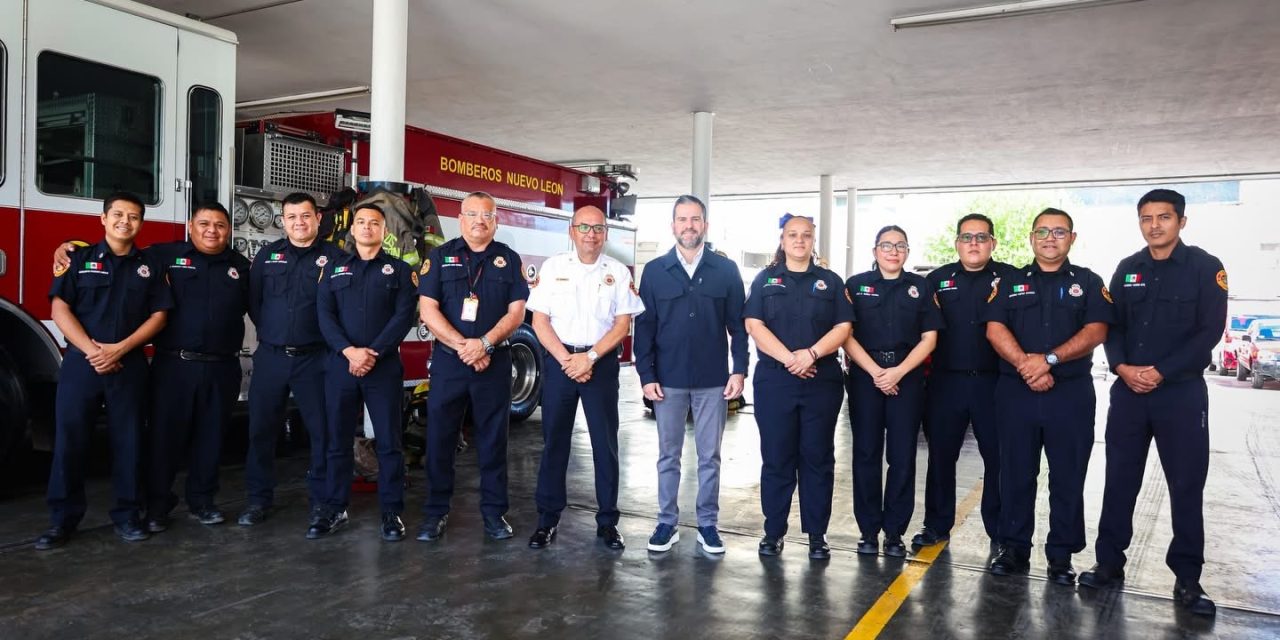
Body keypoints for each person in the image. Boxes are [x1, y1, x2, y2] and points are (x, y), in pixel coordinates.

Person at [1078, 189, 1226, 617]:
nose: (1155, 225)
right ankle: (1109, 562)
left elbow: (1208, 333)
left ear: (1182, 221)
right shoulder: (1128, 269)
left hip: (1179, 394)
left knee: (1185, 485)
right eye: (1147, 218)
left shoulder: (1205, 268)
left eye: (1164, 217)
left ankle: (1187, 579)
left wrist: (1160, 371)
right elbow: (1114, 326)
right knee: (1120, 480)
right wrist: (1122, 366)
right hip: (1129, 393)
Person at [35, 192, 172, 550]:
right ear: (103, 219)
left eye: (134, 216)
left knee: (129, 443)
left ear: (142, 222)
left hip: (129, 365)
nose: (125, 222)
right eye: (118, 215)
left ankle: (127, 516)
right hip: (82, 364)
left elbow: (159, 315)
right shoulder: (77, 258)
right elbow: (60, 308)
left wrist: (121, 349)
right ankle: (62, 520)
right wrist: (92, 350)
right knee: (70, 443)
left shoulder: (151, 265)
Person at [984, 208, 1113, 584]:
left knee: (1068, 475)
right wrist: (1027, 365)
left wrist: (1050, 360)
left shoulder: (1088, 282)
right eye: (1042, 231)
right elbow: (995, 329)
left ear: (1072, 238)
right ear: (1031, 238)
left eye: (1059, 231)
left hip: (1069, 393)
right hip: (1016, 392)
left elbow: (1097, 329)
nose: (1049, 238)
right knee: (1016, 473)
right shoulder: (1009, 282)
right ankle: (1013, 549)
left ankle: (1061, 556)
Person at [634, 195, 748, 554]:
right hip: (667, 380)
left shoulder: (725, 271)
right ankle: (666, 522)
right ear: (673, 226)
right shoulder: (654, 271)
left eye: (695, 219)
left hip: (712, 380)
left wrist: (739, 370)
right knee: (668, 455)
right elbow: (645, 327)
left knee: (709, 456)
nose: (689, 226)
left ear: (705, 225)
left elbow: (739, 327)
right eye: (682, 219)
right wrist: (646, 375)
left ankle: (708, 525)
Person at [526, 206, 644, 550]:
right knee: (554, 444)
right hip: (562, 363)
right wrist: (567, 360)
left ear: (605, 233)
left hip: (601, 364)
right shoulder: (553, 267)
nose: (591, 234)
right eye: (584, 227)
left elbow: (623, 325)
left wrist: (589, 357)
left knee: (604, 445)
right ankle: (547, 520)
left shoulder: (618, 272)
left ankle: (608, 522)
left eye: (597, 228)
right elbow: (540, 322)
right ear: (572, 231)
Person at [417, 191, 528, 542]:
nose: (480, 221)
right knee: (440, 440)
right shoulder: (440, 256)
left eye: (488, 215)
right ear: (461, 218)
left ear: (496, 221)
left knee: (494, 441)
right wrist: (463, 346)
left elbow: (517, 313)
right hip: (451, 364)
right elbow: (428, 309)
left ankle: (495, 515)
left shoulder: (509, 260)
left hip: (493, 363)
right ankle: (435, 513)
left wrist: (484, 344)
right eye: (473, 214)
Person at [743, 214, 852, 559]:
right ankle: (773, 531)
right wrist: (792, 359)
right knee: (777, 457)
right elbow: (754, 324)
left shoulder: (831, 282)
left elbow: (844, 326)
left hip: (821, 380)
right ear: (783, 239)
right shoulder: (765, 279)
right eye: (793, 235)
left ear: (813, 239)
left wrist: (812, 354)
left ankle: (817, 535)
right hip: (776, 380)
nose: (800, 240)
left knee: (818, 458)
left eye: (806, 235)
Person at [141, 203, 251, 531]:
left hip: (221, 368)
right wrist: (69, 248)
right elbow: (119, 253)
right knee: (164, 439)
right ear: (191, 226)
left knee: (212, 438)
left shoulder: (242, 267)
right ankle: (157, 506)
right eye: (204, 223)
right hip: (174, 366)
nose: (211, 230)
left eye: (219, 225)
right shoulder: (165, 255)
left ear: (229, 230)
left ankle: (202, 501)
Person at [240, 192, 345, 529]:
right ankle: (258, 500)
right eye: (291, 217)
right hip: (271, 357)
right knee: (260, 431)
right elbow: (255, 303)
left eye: (305, 216)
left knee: (322, 434)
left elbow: (341, 308)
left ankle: (322, 503)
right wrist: (275, 333)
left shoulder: (335, 258)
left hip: (316, 359)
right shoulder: (267, 256)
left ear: (317, 219)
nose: (299, 222)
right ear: (283, 221)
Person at [312, 203, 417, 539]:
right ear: (352, 230)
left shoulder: (400, 271)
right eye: (361, 222)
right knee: (337, 442)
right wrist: (349, 351)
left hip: (382, 367)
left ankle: (391, 513)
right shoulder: (333, 269)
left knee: (389, 443)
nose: (367, 227)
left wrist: (373, 353)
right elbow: (324, 316)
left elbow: (403, 317)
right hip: (340, 366)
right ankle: (334, 508)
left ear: (384, 232)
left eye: (375, 223)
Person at [916, 214, 1015, 548]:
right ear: (957, 243)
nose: (974, 243)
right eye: (967, 237)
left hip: (995, 384)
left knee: (999, 459)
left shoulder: (1011, 279)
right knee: (941, 457)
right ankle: (935, 526)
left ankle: (1000, 532)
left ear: (993, 243)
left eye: (981, 237)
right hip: (946, 384)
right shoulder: (937, 280)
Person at [844, 225, 942, 557]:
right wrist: (875, 372)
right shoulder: (856, 286)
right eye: (886, 245)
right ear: (875, 251)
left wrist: (898, 371)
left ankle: (895, 532)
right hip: (865, 378)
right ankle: (869, 531)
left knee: (902, 457)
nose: (893, 250)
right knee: (866, 454)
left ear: (907, 252)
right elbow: (845, 334)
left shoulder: (920, 286)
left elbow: (930, 338)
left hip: (907, 376)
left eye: (900, 245)